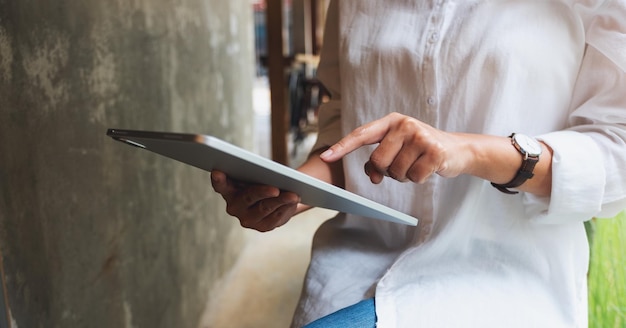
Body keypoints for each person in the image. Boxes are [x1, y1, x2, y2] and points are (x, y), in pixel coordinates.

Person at [211, 0, 626, 327]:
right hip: (349, 275)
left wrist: (469, 151)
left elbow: (615, 153)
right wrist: (290, 191)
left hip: (500, 280)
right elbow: (346, 131)